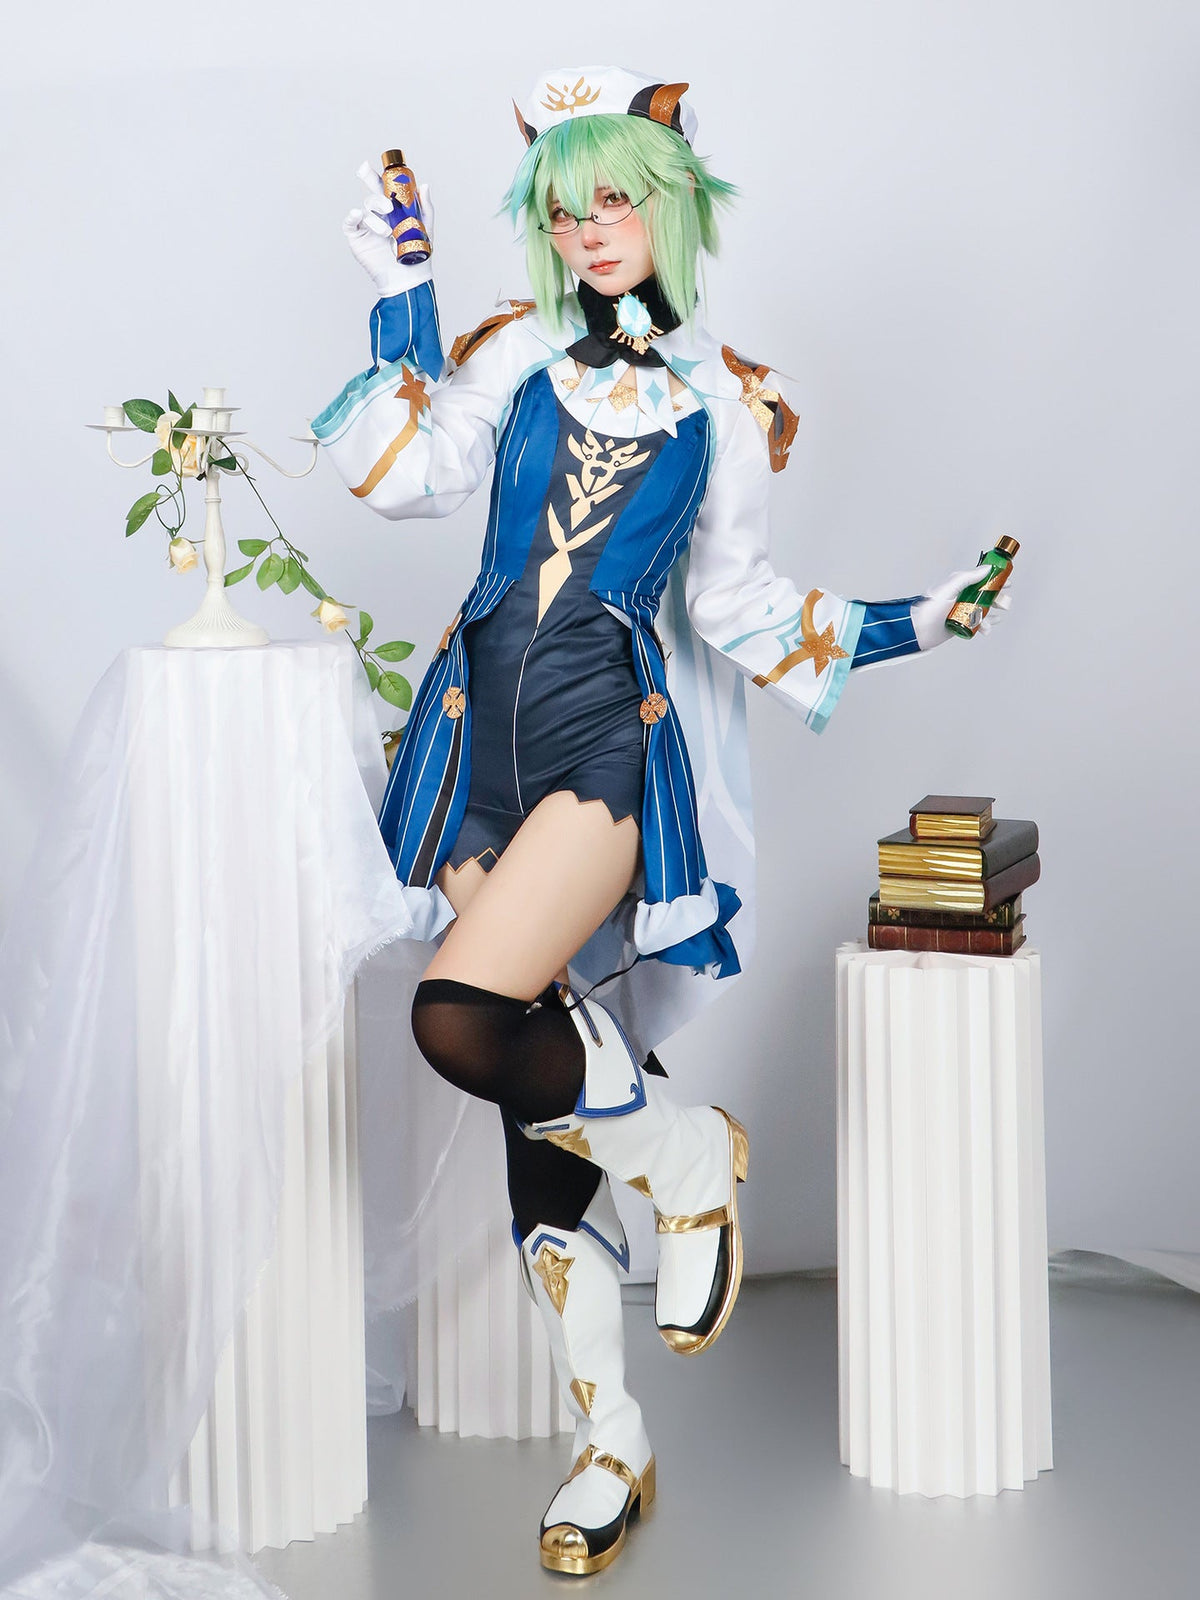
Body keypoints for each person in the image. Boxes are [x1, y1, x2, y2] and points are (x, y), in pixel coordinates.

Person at [312, 66, 1012, 1577]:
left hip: (601, 742)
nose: (591, 229)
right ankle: (609, 1443)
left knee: (459, 1017)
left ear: (674, 203)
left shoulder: (725, 405)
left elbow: (738, 605)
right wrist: (400, 300)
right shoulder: (509, 355)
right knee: (529, 1104)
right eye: (565, 207)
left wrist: (917, 623)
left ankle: (688, 1160)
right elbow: (403, 480)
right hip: (469, 741)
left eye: (617, 199)